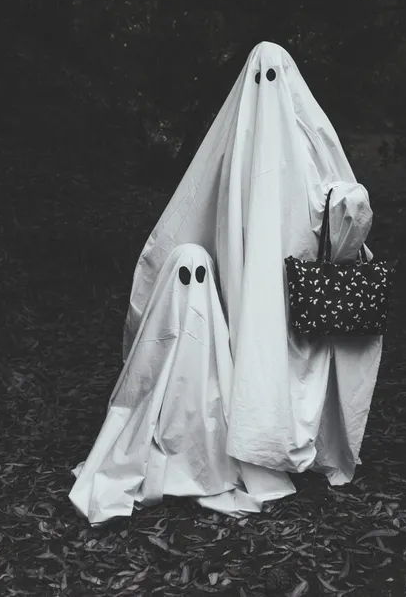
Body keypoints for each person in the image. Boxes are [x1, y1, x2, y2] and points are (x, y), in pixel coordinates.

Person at [124, 42, 382, 488]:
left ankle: (285, 444)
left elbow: (340, 207)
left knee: (292, 354)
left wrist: (346, 206)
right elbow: (198, 208)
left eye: (274, 78)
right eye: (261, 78)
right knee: (255, 353)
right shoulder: (235, 146)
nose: (267, 89)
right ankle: (254, 442)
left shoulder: (307, 141)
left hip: (297, 279)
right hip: (245, 278)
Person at [69, 244, 294, 523]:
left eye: (200, 276)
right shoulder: (158, 327)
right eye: (185, 277)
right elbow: (141, 382)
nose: (193, 287)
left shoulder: (215, 327)